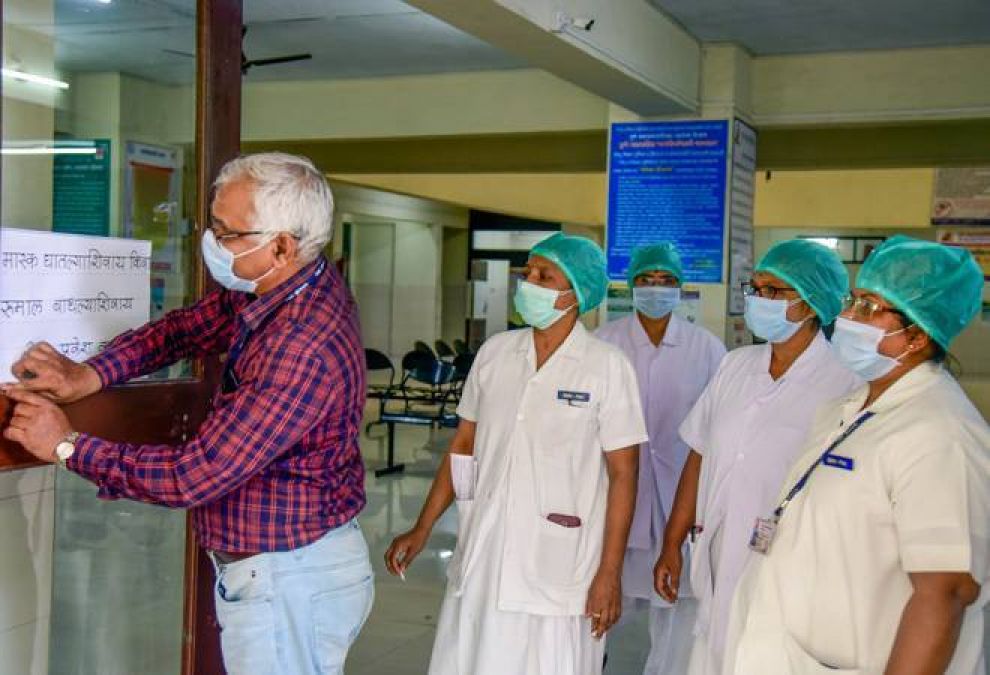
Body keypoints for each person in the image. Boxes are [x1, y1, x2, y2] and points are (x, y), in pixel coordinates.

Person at [2, 153, 373, 675]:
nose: (211, 243)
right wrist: (90, 375)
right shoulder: (276, 286)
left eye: (226, 232)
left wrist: (67, 446)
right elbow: (181, 329)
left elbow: (194, 475)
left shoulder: (301, 344)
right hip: (285, 568)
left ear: (283, 246)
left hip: (293, 578)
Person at [723, 235, 989, 674]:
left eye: (868, 307)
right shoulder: (846, 412)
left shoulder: (941, 435)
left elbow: (945, 592)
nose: (846, 316)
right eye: (853, 300)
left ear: (918, 335)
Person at [385, 232, 648, 675]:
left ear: (575, 293)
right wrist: (422, 526)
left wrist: (610, 572)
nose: (528, 283)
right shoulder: (496, 353)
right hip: (485, 549)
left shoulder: (606, 366)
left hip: (561, 561)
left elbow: (624, 474)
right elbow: (464, 446)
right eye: (527, 272)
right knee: (471, 658)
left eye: (544, 276)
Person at [653, 238, 862, 675]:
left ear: (811, 303)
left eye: (775, 292)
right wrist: (672, 543)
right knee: (711, 651)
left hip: (789, 566)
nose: (760, 300)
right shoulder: (735, 366)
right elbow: (698, 454)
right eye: (757, 289)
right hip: (714, 552)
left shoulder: (844, 383)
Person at [596, 242, 726, 674]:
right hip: (617, 500)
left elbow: (718, 431)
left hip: (680, 504)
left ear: (681, 288)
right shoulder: (605, 343)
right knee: (601, 604)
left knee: (677, 615)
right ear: (630, 285)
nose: (656, 289)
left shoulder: (706, 349)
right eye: (647, 281)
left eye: (666, 281)